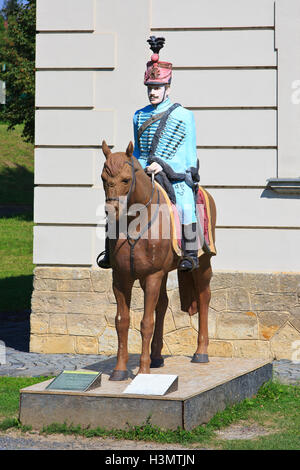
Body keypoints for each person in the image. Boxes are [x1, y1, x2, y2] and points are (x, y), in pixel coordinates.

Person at [97, 36, 200, 271]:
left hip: (174, 174)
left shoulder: (184, 116)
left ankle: (191, 254)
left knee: (185, 205)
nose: (153, 92)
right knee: (117, 202)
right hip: (144, 171)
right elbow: (140, 152)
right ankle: (109, 251)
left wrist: (163, 166)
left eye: (157, 88)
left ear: (168, 88)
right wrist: (141, 167)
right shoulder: (139, 115)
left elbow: (189, 154)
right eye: (150, 88)